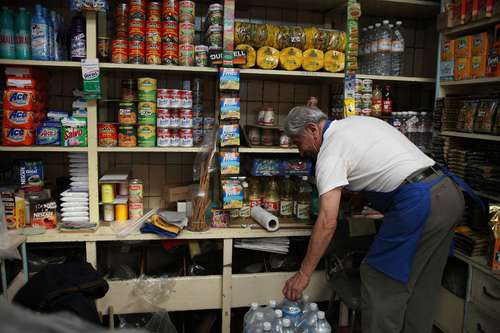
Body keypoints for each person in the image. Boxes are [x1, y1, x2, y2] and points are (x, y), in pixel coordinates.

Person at [281, 106, 476, 333]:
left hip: (420, 203)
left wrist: (303, 274)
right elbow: (383, 162)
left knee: (379, 279)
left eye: (298, 141)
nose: (300, 151)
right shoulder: (356, 123)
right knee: (422, 283)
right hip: (449, 194)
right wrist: (360, 195)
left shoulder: (330, 151)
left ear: (313, 129)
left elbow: (327, 222)